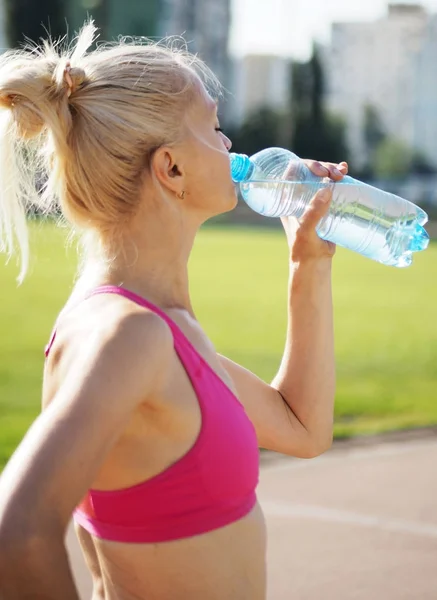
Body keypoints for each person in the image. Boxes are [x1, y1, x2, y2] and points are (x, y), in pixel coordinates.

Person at [0, 22, 348, 600]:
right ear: (172, 170)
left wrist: (307, 262)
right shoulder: (127, 335)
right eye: (213, 127)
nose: (230, 144)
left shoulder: (160, 327)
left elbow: (302, 427)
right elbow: (17, 532)